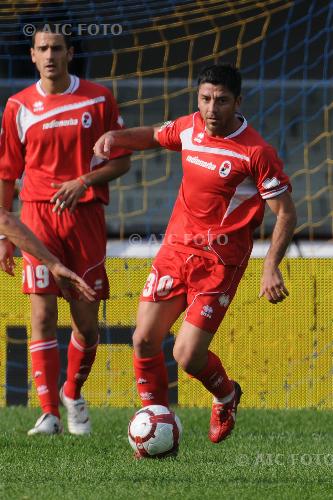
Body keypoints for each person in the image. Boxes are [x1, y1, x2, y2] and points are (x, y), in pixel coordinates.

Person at [94, 63, 297, 447]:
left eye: (221, 100)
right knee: (143, 340)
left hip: (219, 263)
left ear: (237, 101)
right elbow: (154, 135)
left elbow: (286, 212)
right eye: (205, 99)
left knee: (186, 356)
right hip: (175, 251)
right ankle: (156, 423)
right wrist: (115, 137)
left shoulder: (256, 152)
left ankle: (226, 395)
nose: (211, 108)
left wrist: (271, 266)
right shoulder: (189, 127)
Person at [0, 24, 131, 435]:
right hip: (37, 216)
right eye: (43, 48)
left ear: (70, 53)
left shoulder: (99, 97)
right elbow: (7, 175)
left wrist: (85, 181)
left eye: (57, 47)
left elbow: (122, 160)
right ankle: (49, 413)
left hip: (85, 215)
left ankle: (72, 391)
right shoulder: (17, 107)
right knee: (41, 314)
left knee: (85, 323)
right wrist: (5, 235)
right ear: (33, 56)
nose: (50, 54)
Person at [0, 206, 96, 302]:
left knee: (83, 306)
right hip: (40, 211)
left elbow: (4, 220)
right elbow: (4, 219)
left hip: (78, 210)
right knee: (44, 313)